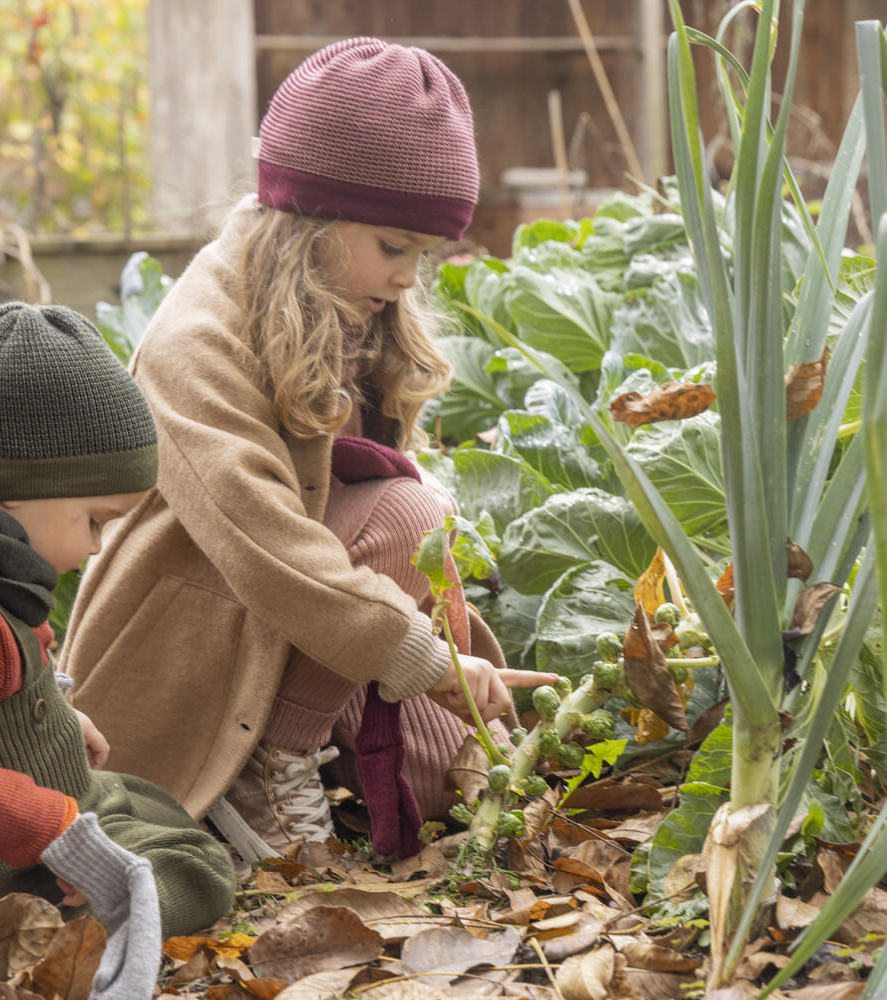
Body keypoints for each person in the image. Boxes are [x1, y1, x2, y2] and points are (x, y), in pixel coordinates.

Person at [58, 37, 557, 863]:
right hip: (193, 629)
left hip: (300, 619)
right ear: (308, 216)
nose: (406, 278)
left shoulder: (346, 307)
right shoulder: (197, 337)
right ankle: (268, 764)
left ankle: (306, 740)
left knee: (437, 790)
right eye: (393, 247)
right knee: (407, 510)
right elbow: (266, 545)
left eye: (422, 256)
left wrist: (448, 664)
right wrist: (420, 658)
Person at [0, 302, 236, 997]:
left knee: (151, 804)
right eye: (93, 521)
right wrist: (57, 830)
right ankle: (64, 934)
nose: (93, 546)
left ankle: (55, 899)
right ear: (19, 492)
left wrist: (53, 712)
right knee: (196, 869)